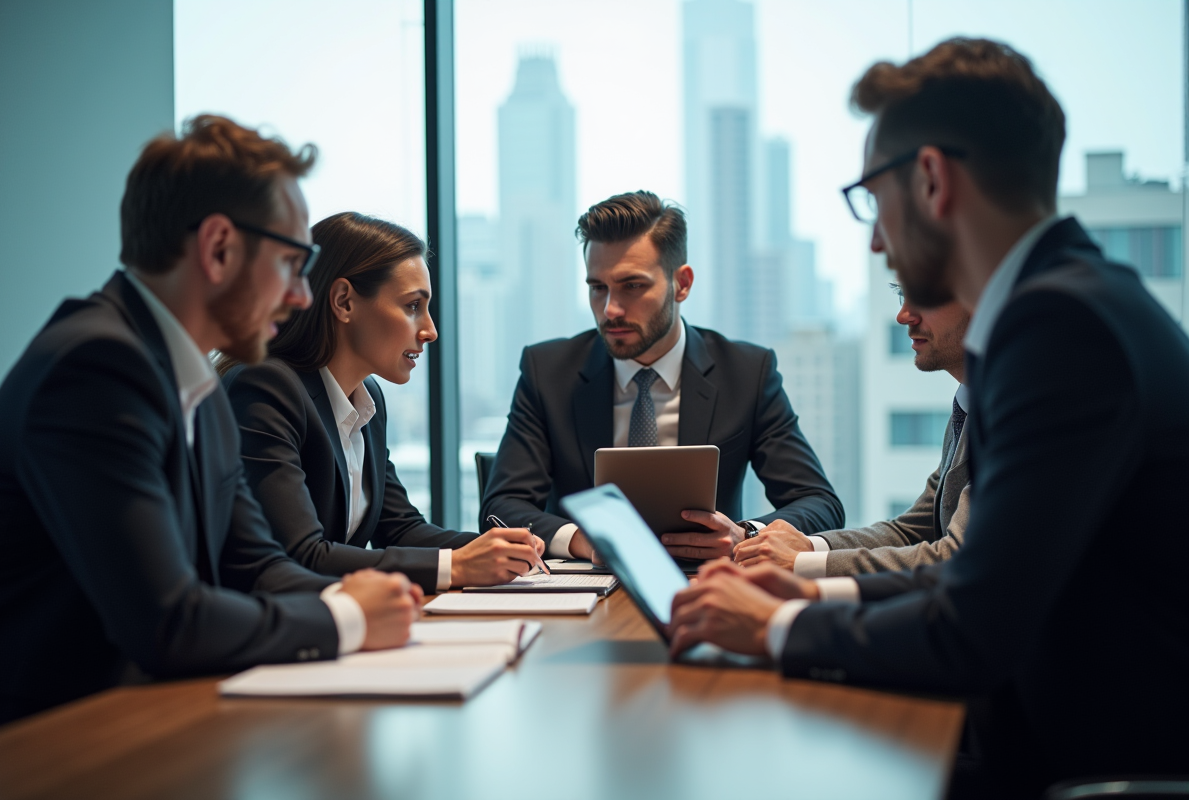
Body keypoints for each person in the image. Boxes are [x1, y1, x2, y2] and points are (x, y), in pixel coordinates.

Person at [667, 38, 1189, 795]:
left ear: (933, 179)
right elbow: (978, 581)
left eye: (875, 202)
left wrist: (777, 626)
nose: (878, 237)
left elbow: (969, 629)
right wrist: (811, 591)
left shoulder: (1056, 328)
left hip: (1081, 765)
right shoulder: (1079, 301)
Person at [0, 116, 420, 728]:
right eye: (293, 263)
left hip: (145, 720)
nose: (301, 295)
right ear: (219, 248)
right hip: (49, 742)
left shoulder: (196, 386)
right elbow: (169, 620)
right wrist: (347, 617)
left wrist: (378, 602)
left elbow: (259, 566)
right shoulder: (96, 368)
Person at [482, 190, 844, 563]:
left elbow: (819, 502)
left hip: (709, 585)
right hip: (586, 582)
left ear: (682, 284)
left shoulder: (747, 372)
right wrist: (581, 541)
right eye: (598, 288)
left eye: (632, 286)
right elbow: (502, 505)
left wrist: (744, 534)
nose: (611, 310)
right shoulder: (548, 371)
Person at [222, 212, 545, 593]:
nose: (430, 330)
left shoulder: (367, 399)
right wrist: (457, 566)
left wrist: (494, 549)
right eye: (412, 306)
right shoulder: (267, 388)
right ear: (344, 302)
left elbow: (400, 528)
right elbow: (299, 555)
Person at [734, 290, 970, 576]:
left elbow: (957, 557)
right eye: (901, 295)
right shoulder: (967, 402)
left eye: (923, 295)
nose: (902, 315)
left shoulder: (1014, 405)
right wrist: (808, 548)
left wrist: (802, 563)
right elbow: (913, 530)